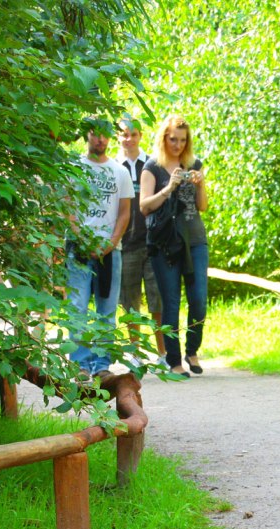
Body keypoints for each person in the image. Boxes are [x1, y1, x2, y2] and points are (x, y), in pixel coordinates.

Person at [139, 114, 208, 379]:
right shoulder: (152, 167)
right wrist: (168, 187)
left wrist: (200, 184)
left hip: (195, 240)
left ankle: (192, 350)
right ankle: (174, 360)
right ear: (164, 139)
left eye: (182, 140)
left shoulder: (194, 164)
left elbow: (202, 206)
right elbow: (144, 206)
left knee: (198, 299)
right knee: (171, 302)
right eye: (173, 139)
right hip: (165, 243)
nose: (178, 145)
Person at [65, 119, 132, 376]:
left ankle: (102, 365)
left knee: (107, 310)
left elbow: (124, 213)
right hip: (78, 249)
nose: (100, 140)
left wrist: (111, 243)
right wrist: (82, 239)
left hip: (110, 251)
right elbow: (67, 207)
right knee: (78, 307)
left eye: (105, 135)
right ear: (87, 135)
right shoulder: (74, 168)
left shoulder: (120, 172)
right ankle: (80, 364)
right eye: (95, 134)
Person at [116, 117, 166, 365]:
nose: (129, 139)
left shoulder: (154, 164)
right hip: (126, 244)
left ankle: (163, 354)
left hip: (153, 243)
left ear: (141, 136)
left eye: (133, 134)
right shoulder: (114, 167)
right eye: (124, 134)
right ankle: (134, 353)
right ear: (118, 137)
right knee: (130, 301)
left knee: (158, 301)